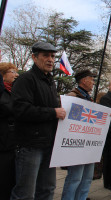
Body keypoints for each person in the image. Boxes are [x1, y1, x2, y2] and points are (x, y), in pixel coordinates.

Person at [11, 41, 66, 200]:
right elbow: (21, 109)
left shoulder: (50, 82)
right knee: (25, 193)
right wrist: (53, 112)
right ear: (34, 57)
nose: (50, 59)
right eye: (46, 55)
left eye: (53, 56)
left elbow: (52, 108)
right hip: (30, 145)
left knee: (48, 189)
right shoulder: (25, 79)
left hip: (48, 144)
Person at [61, 69, 97, 200]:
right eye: (91, 79)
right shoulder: (72, 97)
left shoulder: (89, 98)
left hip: (89, 145)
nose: (93, 82)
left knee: (87, 178)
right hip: (77, 145)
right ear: (83, 80)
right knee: (75, 178)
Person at [0, 63, 19, 200]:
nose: (16, 74)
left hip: (15, 143)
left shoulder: (15, 92)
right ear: (3, 74)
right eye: (12, 71)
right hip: (3, 144)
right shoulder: (3, 93)